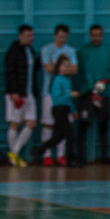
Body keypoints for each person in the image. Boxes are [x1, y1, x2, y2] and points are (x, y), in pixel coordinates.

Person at [76, 24, 110, 164]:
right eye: (93, 35)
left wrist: (104, 81)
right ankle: (80, 156)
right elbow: (81, 71)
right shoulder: (83, 51)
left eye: (99, 35)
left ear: (102, 35)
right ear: (90, 35)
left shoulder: (107, 51)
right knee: (83, 124)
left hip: (103, 93)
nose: (96, 38)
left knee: (103, 125)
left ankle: (105, 156)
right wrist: (90, 87)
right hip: (87, 94)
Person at [39, 24, 78, 166]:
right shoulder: (46, 49)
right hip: (49, 93)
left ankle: (61, 155)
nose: (63, 39)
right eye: (61, 36)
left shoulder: (71, 50)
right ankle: (47, 155)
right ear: (55, 35)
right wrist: (63, 67)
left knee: (64, 126)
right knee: (48, 124)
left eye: (65, 37)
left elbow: (74, 69)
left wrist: (58, 66)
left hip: (65, 94)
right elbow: (48, 68)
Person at [30, 54, 79, 166]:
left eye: (68, 66)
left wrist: (73, 110)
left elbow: (68, 99)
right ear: (59, 67)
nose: (66, 68)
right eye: (64, 66)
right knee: (70, 135)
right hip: (58, 109)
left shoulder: (67, 80)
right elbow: (57, 98)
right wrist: (70, 95)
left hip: (65, 109)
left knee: (59, 137)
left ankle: (39, 149)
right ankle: (70, 159)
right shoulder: (57, 80)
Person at [4, 24, 38, 168]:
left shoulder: (30, 51)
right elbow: (10, 72)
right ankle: (14, 155)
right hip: (17, 93)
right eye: (28, 35)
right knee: (15, 123)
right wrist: (14, 92)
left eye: (32, 35)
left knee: (31, 122)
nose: (31, 38)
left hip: (29, 93)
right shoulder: (13, 51)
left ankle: (14, 152)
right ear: (20, 36)